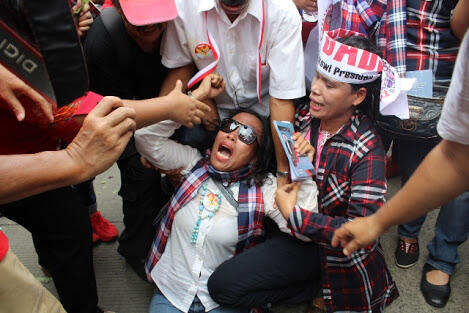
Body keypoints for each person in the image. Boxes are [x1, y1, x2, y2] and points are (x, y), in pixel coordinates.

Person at [208, 30, 400, 313]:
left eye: (330, 84)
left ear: (358, 96)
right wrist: (298, 161)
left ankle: (321, 287)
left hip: (330, 251)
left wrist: (293, 215)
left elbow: (359, 232)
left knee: (224, 288)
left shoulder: (368, 151)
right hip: (288, 230)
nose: (316, 89)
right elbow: (286, 171)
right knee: (223, 286)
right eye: (318, 76)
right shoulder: (304, 116)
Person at [134, 73, 319, 313]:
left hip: (220, 301)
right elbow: (145, 138)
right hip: (172, 292)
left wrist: (301, 168)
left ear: (256, 155)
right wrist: (196, 97)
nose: (233, 134)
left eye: (246, 135)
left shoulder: (264, 189)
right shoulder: (191, 164)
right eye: (229, 126)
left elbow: (304, 229)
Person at [332, 25, 469, 295]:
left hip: (436, 75)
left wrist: (377, 223)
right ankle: (400, 230)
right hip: (386, 73)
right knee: (401, 162)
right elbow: (455, 160)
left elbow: (457, 161)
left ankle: (439, 253)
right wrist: (376, 222)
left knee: (434, 171)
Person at [157, 0, 305, 188]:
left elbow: (282, 100)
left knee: (296, 160)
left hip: (269, 109)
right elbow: (180, 67)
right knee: (188, 143)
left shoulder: (283, 11)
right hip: (213, 106)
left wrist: (284, 172)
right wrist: (161, 138)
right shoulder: (185, 5)